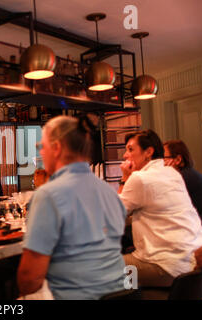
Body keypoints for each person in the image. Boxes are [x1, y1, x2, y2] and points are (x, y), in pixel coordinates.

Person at [17, 115, 127, 300]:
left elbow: (30, 279)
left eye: (42, 147)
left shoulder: (48, 195)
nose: (42, 153)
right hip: (122, 295)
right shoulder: (109, 192)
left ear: (57, 148)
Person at [118, 130, 202, 287]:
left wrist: (125, 178)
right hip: (193, 260)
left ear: (149, 152)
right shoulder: (172, 173)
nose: (125, 155)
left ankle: (131, 294)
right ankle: (133, 291)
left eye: (130, 149)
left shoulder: (139, 178)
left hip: (167, 265)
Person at [163, 140, 202, 227]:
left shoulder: (183, 177)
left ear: (178, 159)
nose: (160, 163)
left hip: (201, 228)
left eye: (163, 158)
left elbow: (164, 201)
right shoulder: (186, 173)